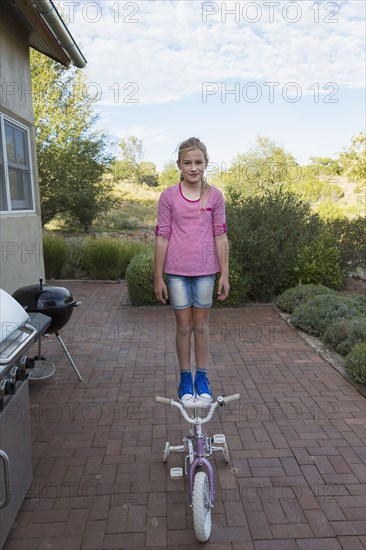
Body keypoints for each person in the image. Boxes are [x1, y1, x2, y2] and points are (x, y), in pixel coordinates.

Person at [154, 137, 229, 402]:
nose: (193, 167)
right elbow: (162, 236)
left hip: (206, 273)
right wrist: (158, 278)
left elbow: (220, 236)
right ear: (179, 165)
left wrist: (225, 275)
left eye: (198, 162)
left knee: (201, 326)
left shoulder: (215, 196)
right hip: (176, 274)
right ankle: (185, 377)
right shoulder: (168, 197)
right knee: (183, 327)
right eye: (188, 162)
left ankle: (202, 376)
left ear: (206, 163)